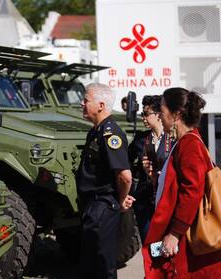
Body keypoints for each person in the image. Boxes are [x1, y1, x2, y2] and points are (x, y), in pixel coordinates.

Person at [142, 87, 221, 278]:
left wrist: (175, 233)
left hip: (189, 239)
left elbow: (192, 192)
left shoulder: (189, 144)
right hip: (186, 235)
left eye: (162, 112)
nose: (160, 117)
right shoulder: (184, 142)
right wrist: (157, 178)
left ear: (177, 114)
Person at [77, 83, 135, 279]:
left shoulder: (110, 134)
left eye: (86, 100)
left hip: (102, 206)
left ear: (100, 105)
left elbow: (125, 176)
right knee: (90, 264)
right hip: (92, 206)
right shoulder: (96, 131)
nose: (81, 103)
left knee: (103, 265)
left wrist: (120, 199)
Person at [128, 95, 174, 243]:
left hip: (166, 200)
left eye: (146, 114)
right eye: (142, 114)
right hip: (144, 200)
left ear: (159, 115)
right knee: (149, 244)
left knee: (164, 246)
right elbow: (125, 162)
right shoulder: (141, 138)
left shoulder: (173, 139)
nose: (143, 118)